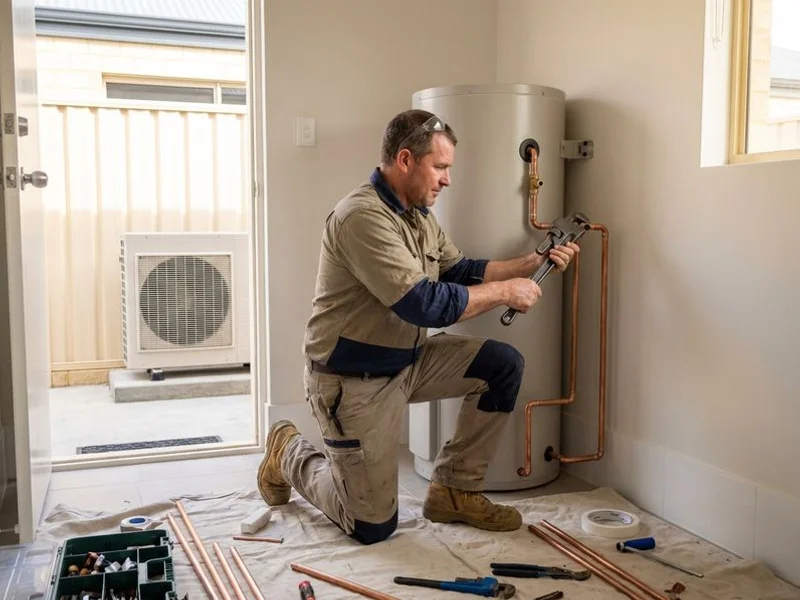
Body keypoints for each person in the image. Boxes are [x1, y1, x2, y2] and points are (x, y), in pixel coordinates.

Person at [256, 109, 579, 545]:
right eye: (441, 167)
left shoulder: (417, 214)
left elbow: (460, 270)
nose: (447, 179)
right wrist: (507, 293)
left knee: (501, 364)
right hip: (353, 381)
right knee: (371, 526)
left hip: (406, 362)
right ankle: (288, 451)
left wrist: (532, 262)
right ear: (405, 160)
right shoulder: (361, 218)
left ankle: (455, 490)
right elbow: (423, 304)